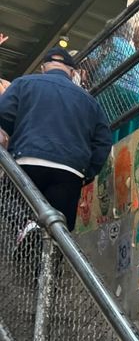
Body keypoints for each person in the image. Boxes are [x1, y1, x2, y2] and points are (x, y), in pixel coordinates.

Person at [0, 47, 112, 232]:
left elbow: (4, 114)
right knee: (59, 231)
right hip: (70, 170)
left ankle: (26, 225)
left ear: (43, 68)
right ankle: (47, 254)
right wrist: (87, 172)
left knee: (7, 197)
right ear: (72, 72)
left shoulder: (23, 84)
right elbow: (103, 141)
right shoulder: (90, 101)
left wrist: (18, 139)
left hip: (28, 160)